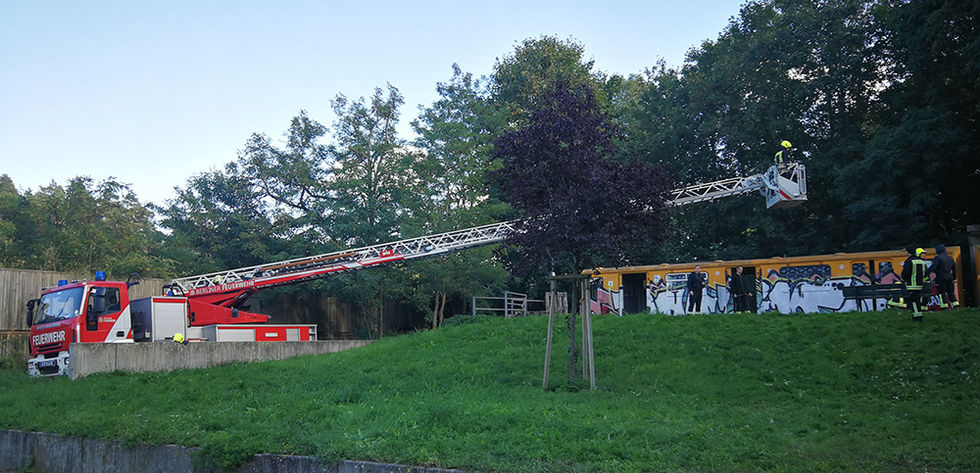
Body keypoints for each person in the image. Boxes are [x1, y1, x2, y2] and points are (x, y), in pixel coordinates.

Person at [900, 247, 929, 321]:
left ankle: (917, 317)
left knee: (914, 301)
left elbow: (905, 274)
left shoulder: (909, 261)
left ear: (909, 253)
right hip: (920, 285)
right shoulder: (921, 261)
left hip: (912, 285)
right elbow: (926, 273)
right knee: (918, 300)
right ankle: (918, 315)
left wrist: (905, 279)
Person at [929, 244, 958, 309]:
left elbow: (933, 267)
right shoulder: (950, 258)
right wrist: (954, 278)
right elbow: (954, 270)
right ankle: (956, 306)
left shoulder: (937, 258)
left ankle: (944, 307)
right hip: (949, 277)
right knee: (951, 293)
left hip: (940, 278)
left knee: (942, 293)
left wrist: (926, 272)